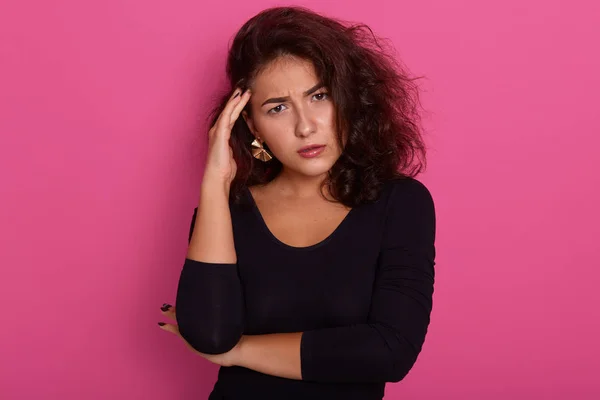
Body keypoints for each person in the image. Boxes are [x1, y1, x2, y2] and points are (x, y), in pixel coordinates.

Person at [157, 6, 436, 400]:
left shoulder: (399, 203)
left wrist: (238, 351)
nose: (305, 127)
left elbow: (390, 352)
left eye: (318, 96)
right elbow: (210, 334)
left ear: (347, 98)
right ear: (251, 124)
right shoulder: (226, 212)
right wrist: (216, 179)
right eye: (278, 108)